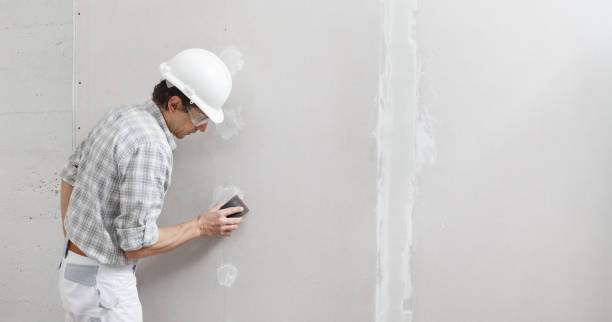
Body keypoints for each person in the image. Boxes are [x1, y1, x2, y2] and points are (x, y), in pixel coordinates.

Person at [57, 49, 243, 322]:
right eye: (201, 118)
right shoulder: (151, 145)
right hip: (103, 289)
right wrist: (200, 226)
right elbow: (135, 245)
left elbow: (69, 176)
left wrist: (78, 243)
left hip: (74, 274)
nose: (201, 129)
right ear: (175, 104)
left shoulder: (121, 115)